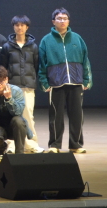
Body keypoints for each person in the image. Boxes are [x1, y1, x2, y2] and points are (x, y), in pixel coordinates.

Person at [38, 8, 91, 154]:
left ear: (69, 21)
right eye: (59, 18)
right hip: (56, 84)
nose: (62, 21)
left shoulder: (77, 38)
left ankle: (76, 144)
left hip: (76, 82)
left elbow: (85, 60)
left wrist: (87, 80)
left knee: (77, 115)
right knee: (56, 116)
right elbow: (42, 64)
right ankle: (54, 144)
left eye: (65, 18)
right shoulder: (46, 40)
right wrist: (44, 83)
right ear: (53, 21)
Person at [1, 15, 43, 152]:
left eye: (22, 25)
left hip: (28, 86)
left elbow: (36, 66)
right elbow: (3, 67)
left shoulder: (33, 47)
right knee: (12, 116)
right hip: (12, 87)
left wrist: (31, 80)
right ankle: (12, 145)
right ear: (13, 27)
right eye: (17, 25)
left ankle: (31, 144)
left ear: (27, 27)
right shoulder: (7, 46)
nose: (19, 28)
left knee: (28, 116)